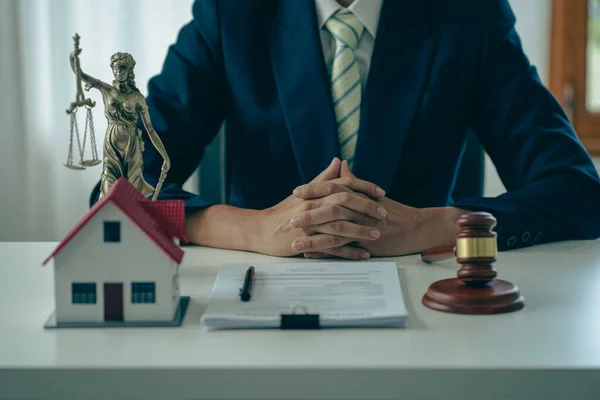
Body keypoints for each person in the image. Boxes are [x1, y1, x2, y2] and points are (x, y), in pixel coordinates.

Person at [91, 0, 600, 260]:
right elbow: (115, 191)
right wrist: (251, 228)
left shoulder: (468, 13)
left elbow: (578, 192)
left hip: (431, 320)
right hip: (257, 313)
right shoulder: (232, 11)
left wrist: (436, 227)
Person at [74, 50, 170, 199]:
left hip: (131, 144)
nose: (119, 72)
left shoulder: (137, 97)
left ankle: (135, 217)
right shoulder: (106, 90)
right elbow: (81, 75)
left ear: (129, 69)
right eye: (116, 68)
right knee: (108, 181)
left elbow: (150, 129)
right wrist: (74, 60)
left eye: (123, 68)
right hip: (112, 141)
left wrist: (165, 156)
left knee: (133, 186)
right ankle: (107, 213)